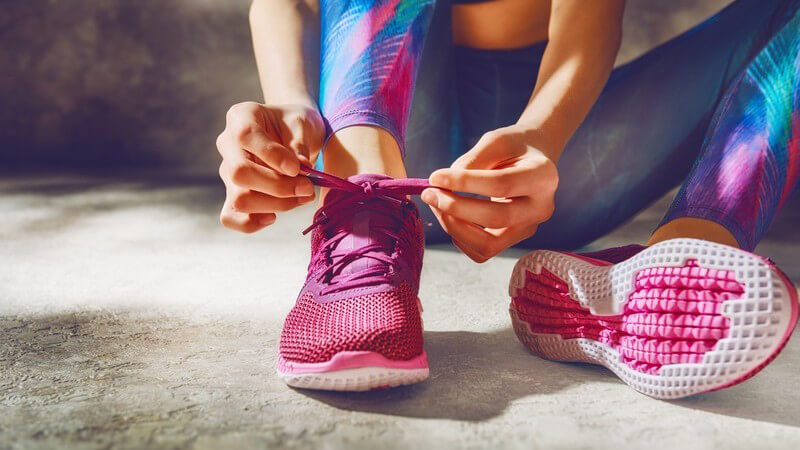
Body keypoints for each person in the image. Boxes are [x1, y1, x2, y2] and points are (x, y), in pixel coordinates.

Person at [216, 0, 800, 398]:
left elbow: (584, 32)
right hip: (388, 135)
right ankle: (364, 224)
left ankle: (687, 260)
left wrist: (542, 139)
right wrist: (292, 103)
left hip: (539, 167)